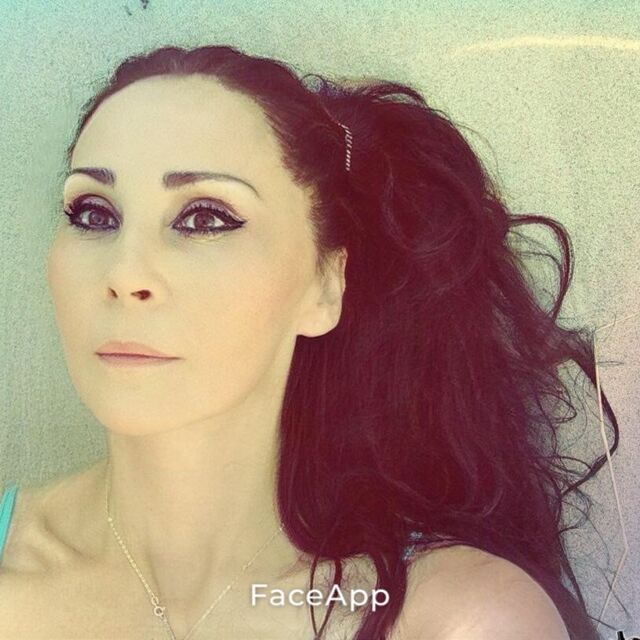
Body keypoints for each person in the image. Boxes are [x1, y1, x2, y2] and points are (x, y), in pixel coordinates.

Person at [0, 44, 621, 639]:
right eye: (93, 213)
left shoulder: (451, 621)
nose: (125, 273)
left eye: (205, 218)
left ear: (325, 284)